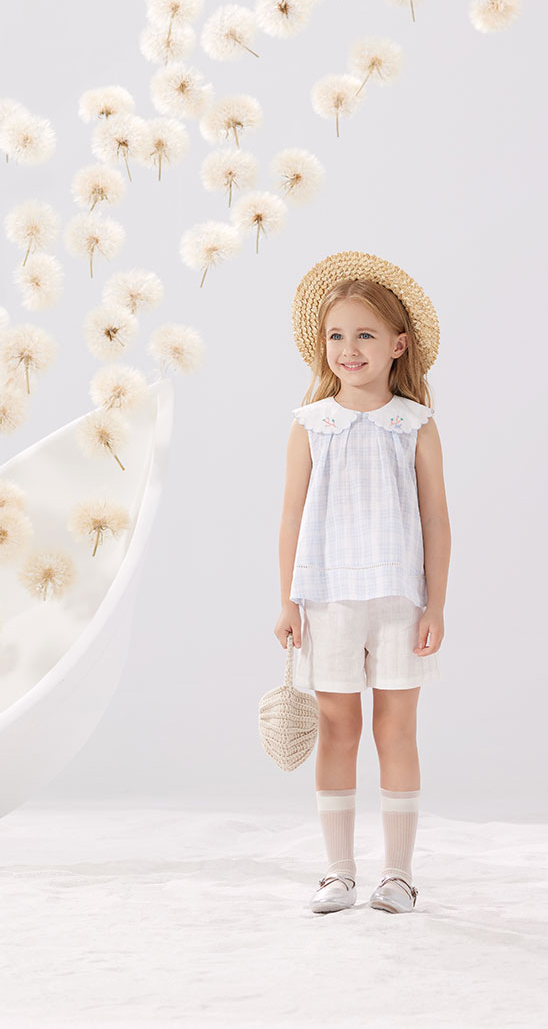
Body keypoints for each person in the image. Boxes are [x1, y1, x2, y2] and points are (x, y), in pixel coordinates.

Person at [275, 250, 451, 915]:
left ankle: (399, 874)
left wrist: (436, 604)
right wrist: (288, 602)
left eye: (365, 334)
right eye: (336, 335)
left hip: (400, 601)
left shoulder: (415, 425)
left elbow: (436, 519)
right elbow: (291, 516)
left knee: (396, 730)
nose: (348, 349)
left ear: (397, 345)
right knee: (337, 727)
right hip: (327, 599)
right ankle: (338, 872)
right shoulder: (310, 425)